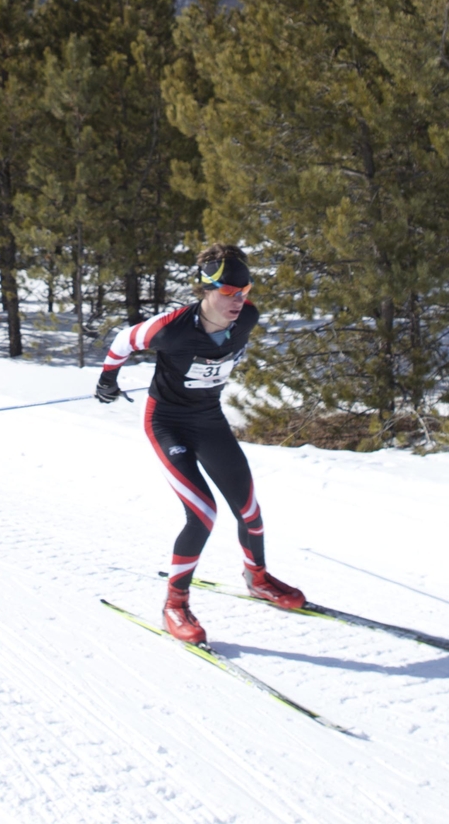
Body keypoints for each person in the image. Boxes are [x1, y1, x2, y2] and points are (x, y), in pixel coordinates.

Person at [96, 242, 306, 644]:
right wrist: (107, 380)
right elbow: (124, 340)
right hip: (167, 423)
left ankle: (258, 578)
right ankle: (174, 605)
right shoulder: (170, 328)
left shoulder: (247, 318)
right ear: (206, 289)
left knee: (250, 511)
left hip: (209, 421)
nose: (238, 301)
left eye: (244, 292)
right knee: (203, 513)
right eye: (228, 292)